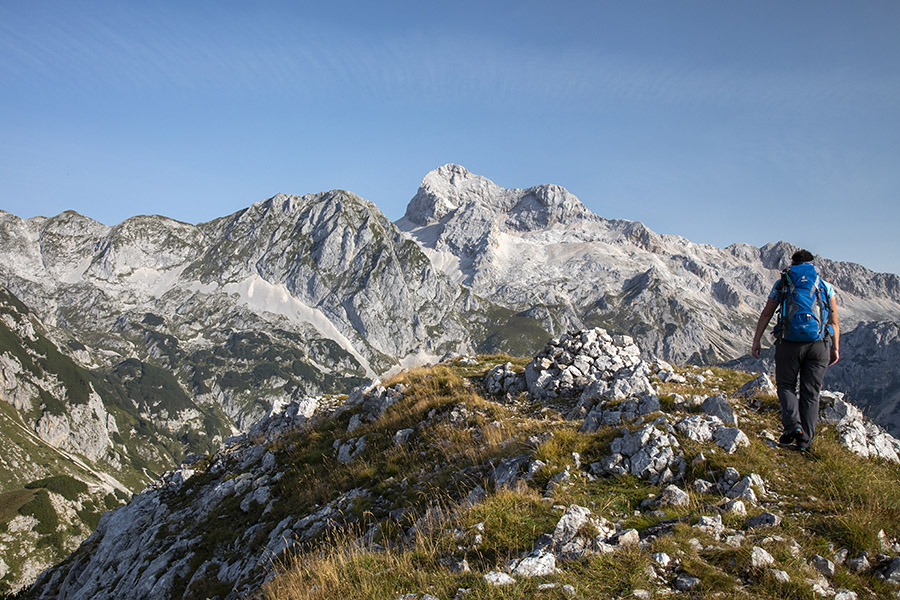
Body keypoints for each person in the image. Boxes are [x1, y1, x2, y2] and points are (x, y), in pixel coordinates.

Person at [751, 249, 840, 451]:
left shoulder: (783, 282)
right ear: (812, 264)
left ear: (792, 263)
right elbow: (834, 322)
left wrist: (756, 340)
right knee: (811, 393)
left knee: (785, 386)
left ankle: (793, 425)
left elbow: (766, 314)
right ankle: (804, 443)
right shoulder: (825, 286)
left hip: (788, 343)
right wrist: (835, 347)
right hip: (819, 345)